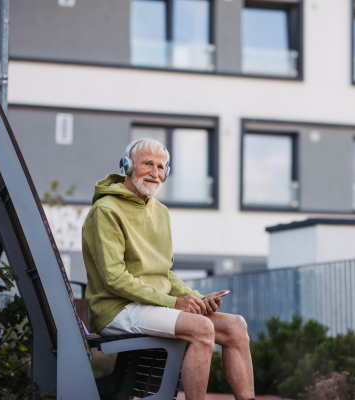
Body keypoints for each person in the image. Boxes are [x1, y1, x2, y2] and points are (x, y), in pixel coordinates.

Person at [82, 138, 255, 400]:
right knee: (202, 329)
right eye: (148, 164)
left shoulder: (160, 212)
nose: (155, 173)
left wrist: (196, 299)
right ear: (127, 166)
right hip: (116, 308)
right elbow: (113, 278)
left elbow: (166, 273)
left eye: (161, 167)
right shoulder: (106, 210)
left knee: (235, 326)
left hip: (152, 306)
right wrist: (174, 302)